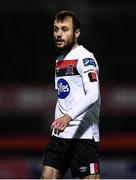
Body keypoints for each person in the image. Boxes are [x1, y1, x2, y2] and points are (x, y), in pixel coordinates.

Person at [41, 10, 100, 179]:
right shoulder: (59, 61)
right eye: (55, 29)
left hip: (83, 135)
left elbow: (92, 94)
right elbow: (64, 97)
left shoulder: (86, 58)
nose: (59, 34)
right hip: (60, 136)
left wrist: (68, 117)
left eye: (65, 29)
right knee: (47, 176)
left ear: (77, 33)